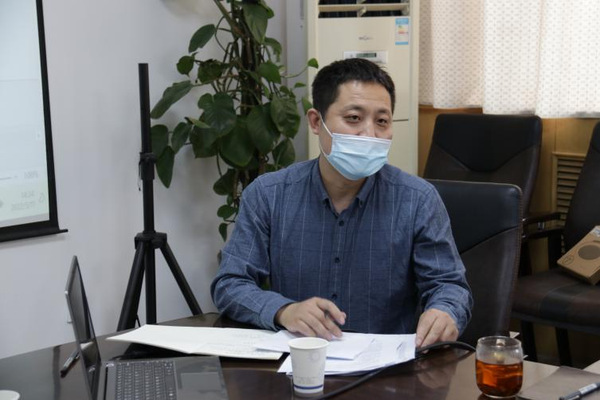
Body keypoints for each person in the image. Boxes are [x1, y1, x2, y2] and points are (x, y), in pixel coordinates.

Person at [210, 58, 472, 348]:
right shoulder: (268, 194)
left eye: (382, 121)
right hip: (299, 360)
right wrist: (284, 310)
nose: (369, 134)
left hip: (389, 366)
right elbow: (231, 283)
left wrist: (444, 311)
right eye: (354, 118)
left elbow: (449, 286)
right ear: (316, 122)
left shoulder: (418, 199)